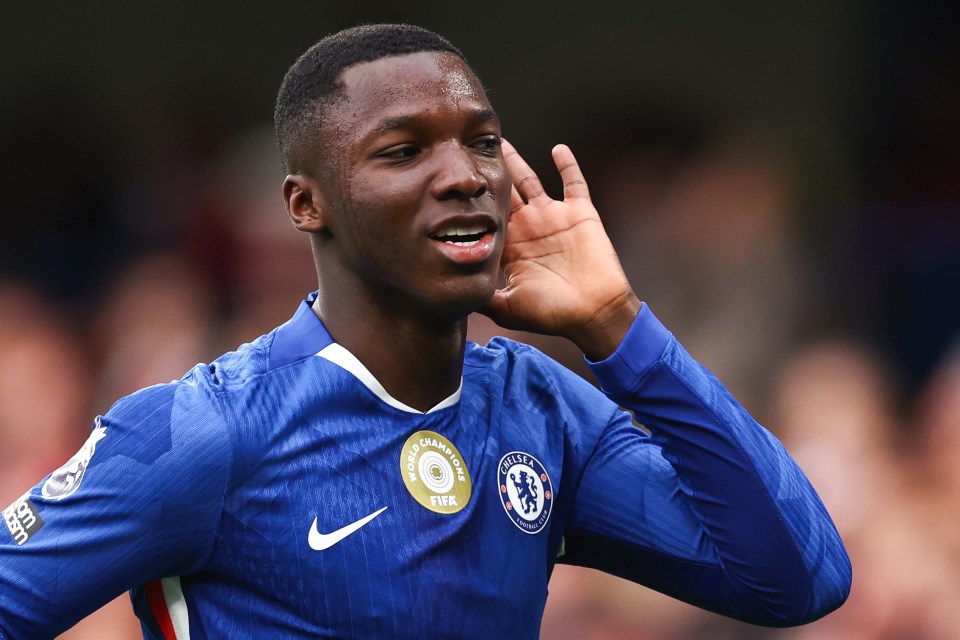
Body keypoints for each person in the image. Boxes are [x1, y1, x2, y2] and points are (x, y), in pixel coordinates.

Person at [0, 23, 851, 638]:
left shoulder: (544, 413)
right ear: (308, 204)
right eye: (403, 151)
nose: (463, 177)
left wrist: (616, 326)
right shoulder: (203, 433)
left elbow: (799, 578)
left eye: (482, 143)